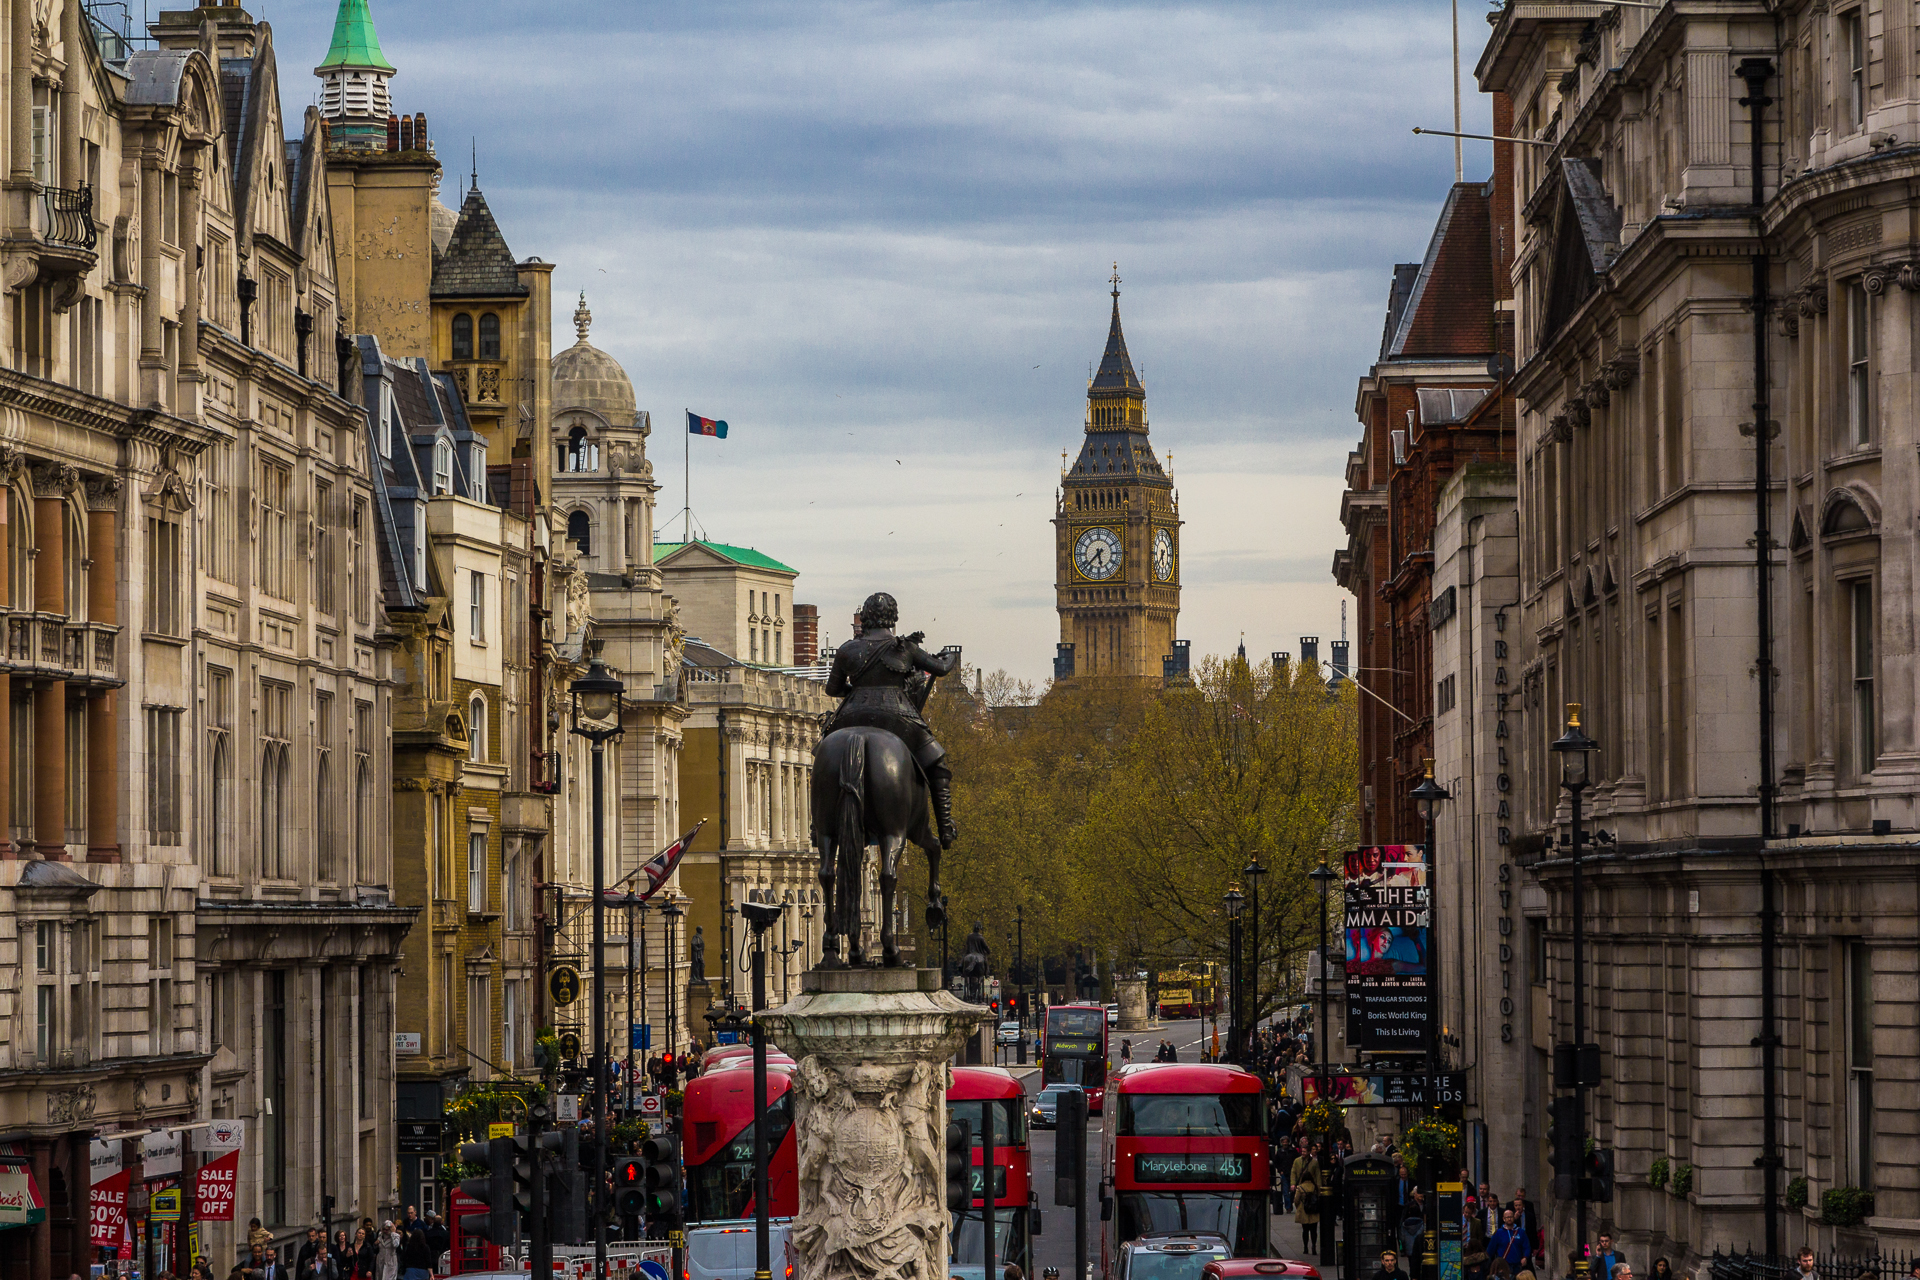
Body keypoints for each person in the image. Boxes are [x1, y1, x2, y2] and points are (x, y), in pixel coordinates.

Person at [822, 592, 963, 846]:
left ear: (865, 617)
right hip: (897, 716)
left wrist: (854, 693)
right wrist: (950, 658)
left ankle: (818, 824)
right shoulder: (904, 647)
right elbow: (940, 669)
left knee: (823, 754)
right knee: (937, 764)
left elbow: (832, 689)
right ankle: (945, 828)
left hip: (851, 715)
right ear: (892, 617)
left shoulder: (847, 650)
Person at [1294, 1157, 1323, 1253]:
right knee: (1314, 1231)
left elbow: (1296, 1200)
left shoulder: (1300, 1188)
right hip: (1314, 1210)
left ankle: (1305, 1248)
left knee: (1305, 1231)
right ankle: (1314, 1246)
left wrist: (1298, 1207)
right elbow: (1318, 1196)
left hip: (1304, 1210)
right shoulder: (1314, 1187)